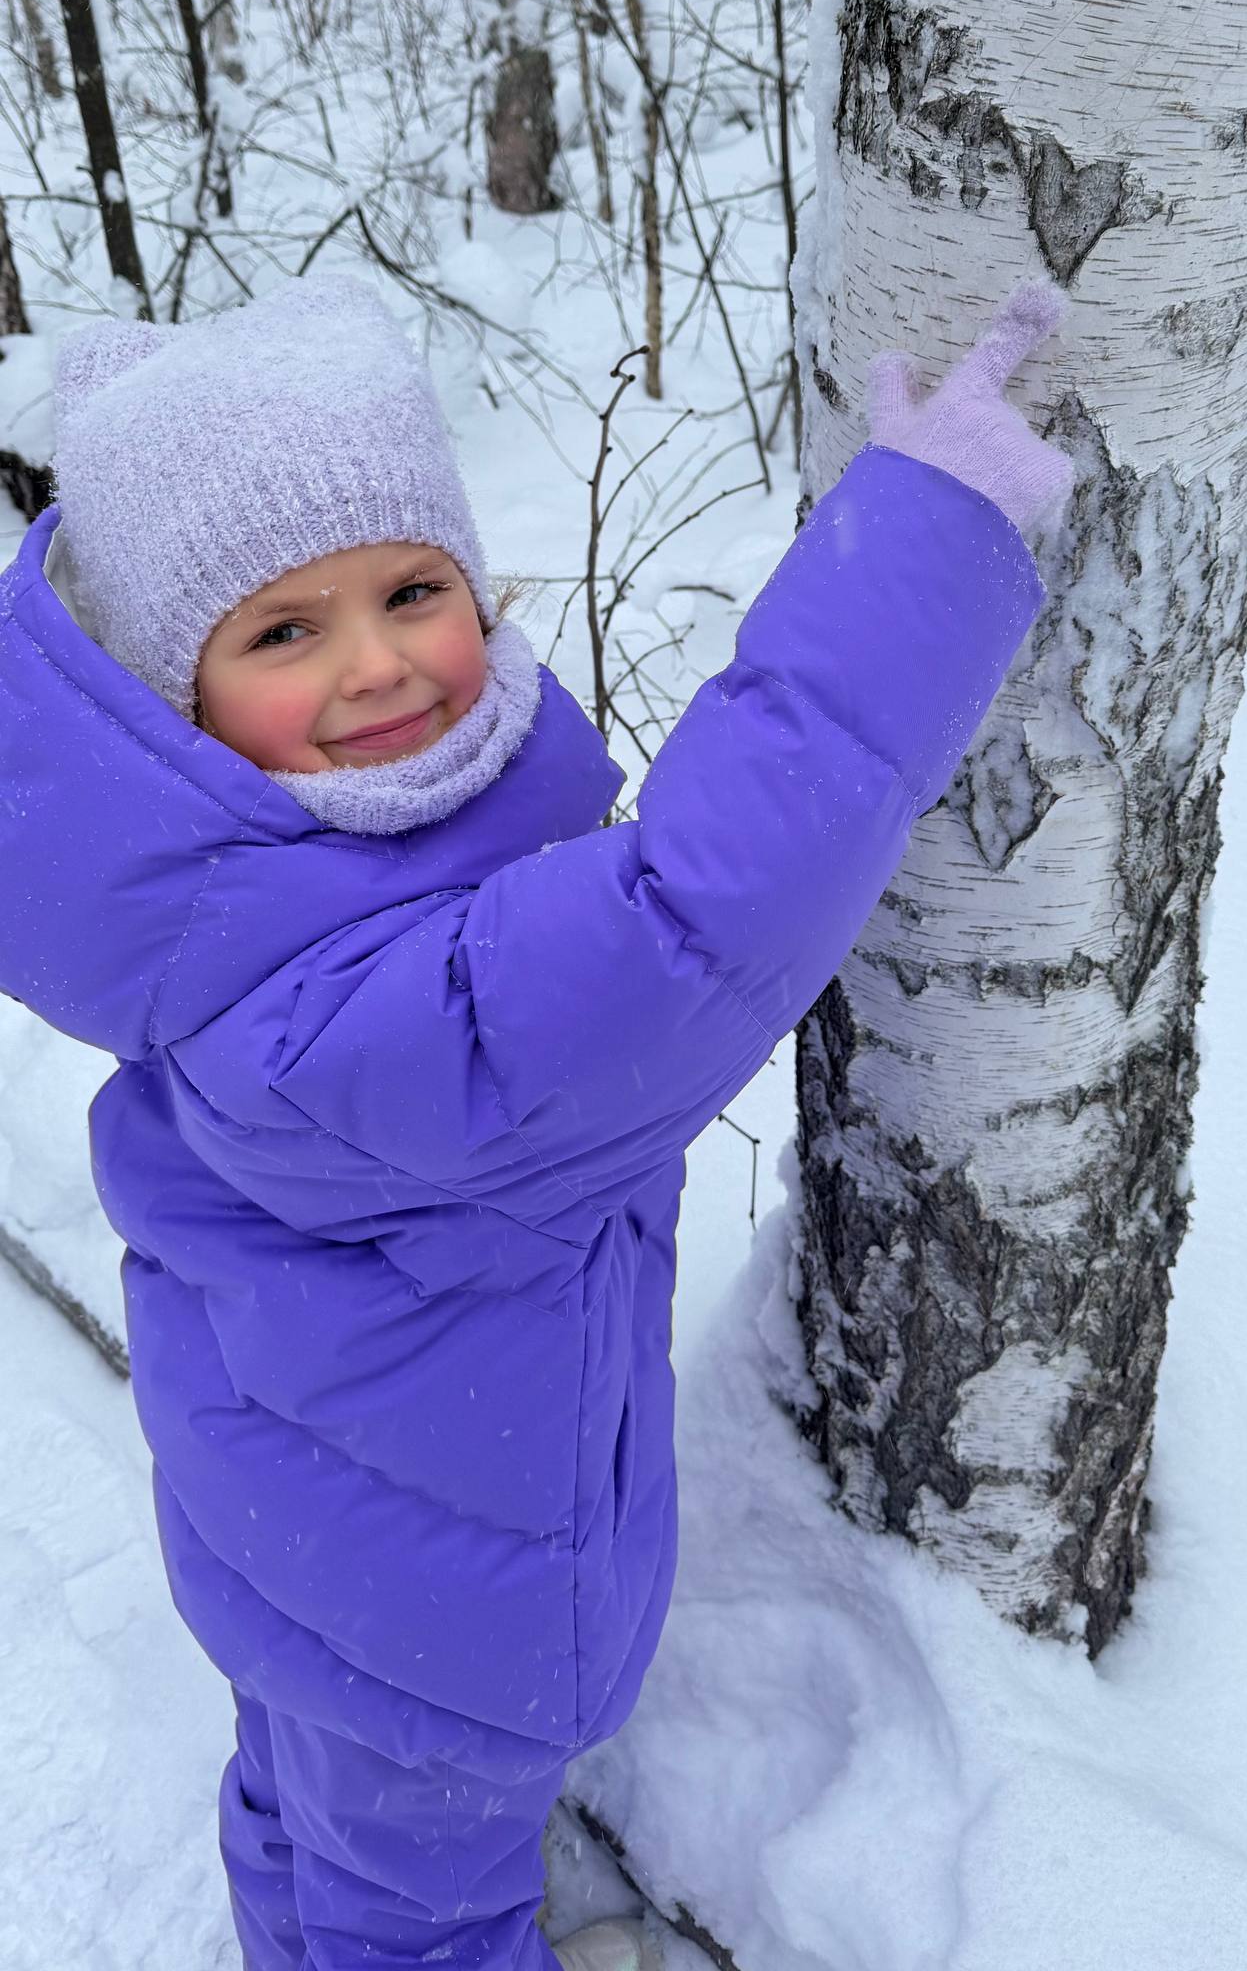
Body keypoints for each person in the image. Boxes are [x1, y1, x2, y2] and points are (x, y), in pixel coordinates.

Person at [0, 272, 1073, 1970]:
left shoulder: (219, 911)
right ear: (171, 699)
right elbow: (690, 917)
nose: (376, 665)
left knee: (303, 1811)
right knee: (415, 1919)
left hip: (312, 1557)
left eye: (412, 590)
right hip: (434, 1633)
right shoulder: (358, 1020)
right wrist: (928, 541)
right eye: (282, 632)